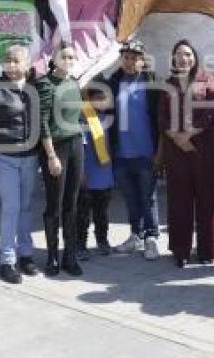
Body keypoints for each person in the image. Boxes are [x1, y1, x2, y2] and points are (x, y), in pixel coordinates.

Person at [0, 44, 40, 284]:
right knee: (11, 207)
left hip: (30, 158)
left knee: (25, 206)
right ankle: (7, 260)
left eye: (17, 61)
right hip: (4, 158)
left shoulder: (34, 88)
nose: (12, 65)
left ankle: (26, 254)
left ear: (27, 65)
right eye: (8, 61)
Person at [159, 39, 214, 267]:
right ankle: (180, 250)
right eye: (179, 54)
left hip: (203, 147)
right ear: (174, 58)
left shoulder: (208, 80)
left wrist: (189, 134)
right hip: (176, 151)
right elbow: (162, 117)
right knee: (179, 201)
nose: (184, 58)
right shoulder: (168, 84)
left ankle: (207, 251)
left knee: (206, 201)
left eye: (188, 54)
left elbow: (213, 112)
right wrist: (177, 137)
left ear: (195, 58)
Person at [107, 40, 161, 260]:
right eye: (126, 57)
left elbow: (161, 119)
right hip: (121, 152)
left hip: (145, 151)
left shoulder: (152, 84)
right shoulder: (113, 82)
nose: (129, 62)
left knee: (148, 197)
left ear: (143, 60)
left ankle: (151, 237)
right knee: (130, 197)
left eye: (134, 58)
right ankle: (135, 235)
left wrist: (160, 151)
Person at [37, 44, 84, 277]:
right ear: (54, 59)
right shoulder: (45, 84)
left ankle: (70, 256)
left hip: (76, 145)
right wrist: (51, 155)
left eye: (72, 57)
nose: (69, 60)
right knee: (54, 204)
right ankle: (52, 256)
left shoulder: (74, 82)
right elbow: (42, 121)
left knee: (72, 203)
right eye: (64, 56)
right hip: (56, 147)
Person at [76, 85, 114, 260]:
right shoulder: (83, 118)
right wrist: (81, 171)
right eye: (97, 98)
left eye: (104, 98)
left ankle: (102, 240)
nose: (102, 101)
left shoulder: (108, 118)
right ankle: (80, 245)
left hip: (104, 175)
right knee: (83, 213)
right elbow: (80, 148)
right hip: (87, 175)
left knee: (102, 212)